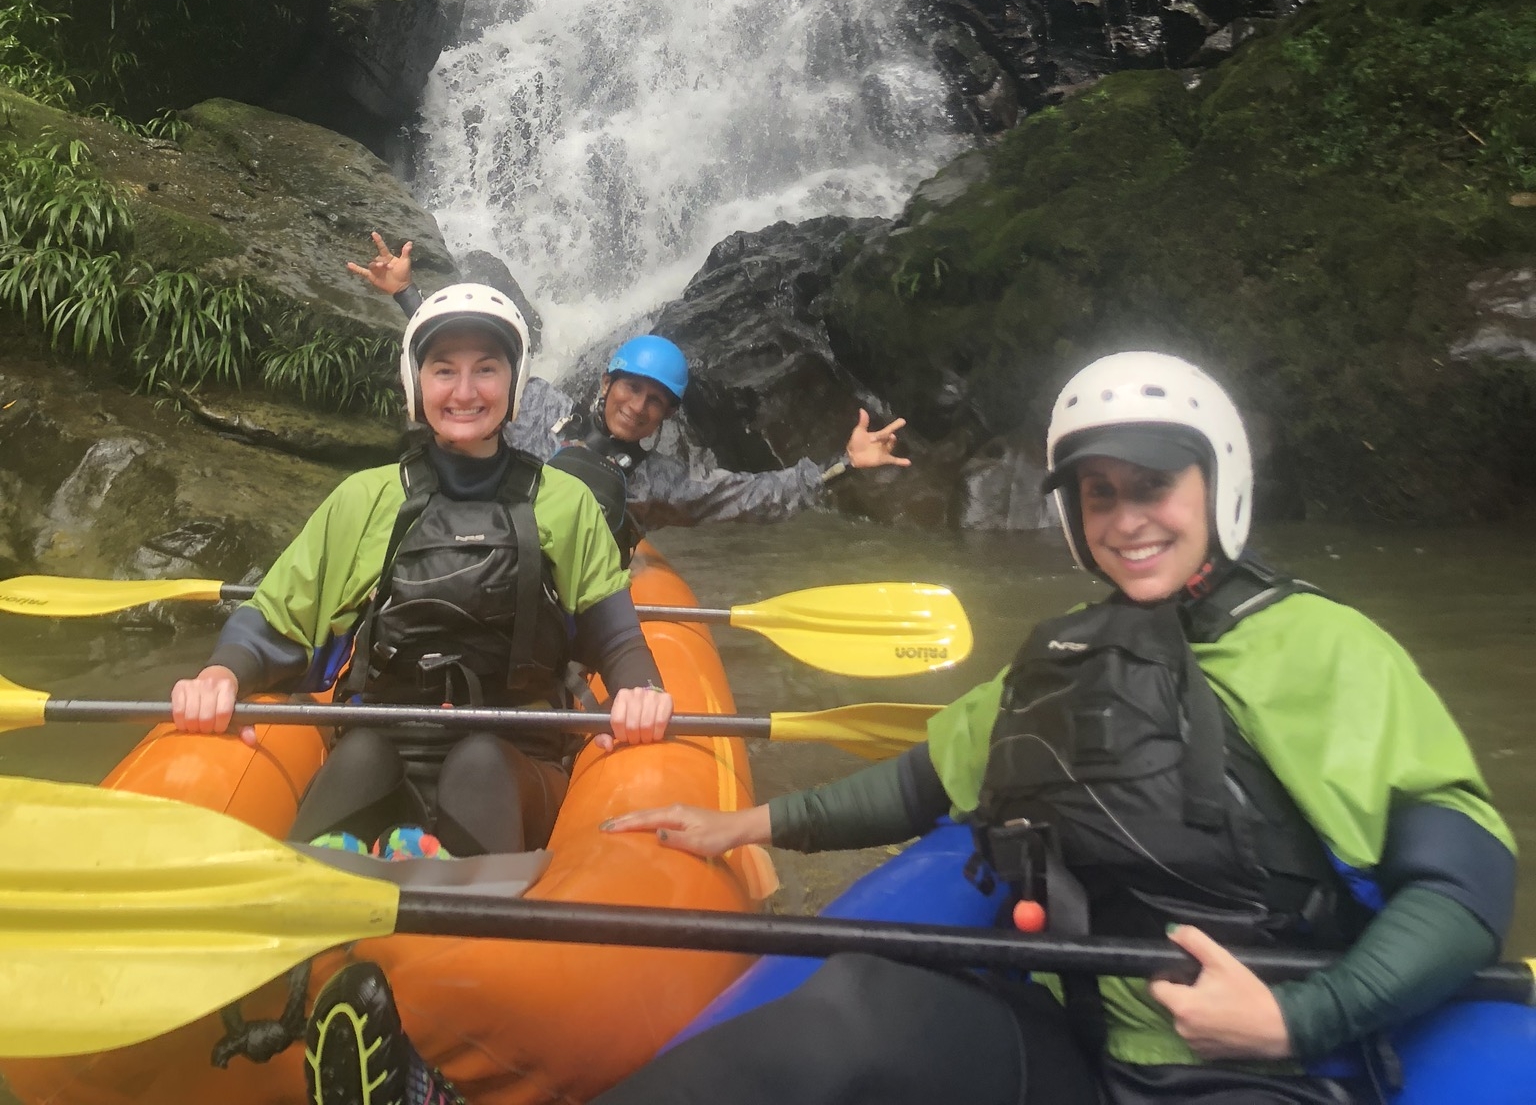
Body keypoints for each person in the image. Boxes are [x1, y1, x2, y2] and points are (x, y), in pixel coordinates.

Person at [582, 350, 1517, 1105]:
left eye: (1152, 485)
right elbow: (926, 781)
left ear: (1215, 483)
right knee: (853, 1011)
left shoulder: (1323, 648)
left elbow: (1463, 887)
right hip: (1082, 1043)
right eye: (1099, 495)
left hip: (1263, 1070)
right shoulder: (1067, 651)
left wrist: (1300, 1021)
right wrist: (742, 826)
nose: (1126, 519)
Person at [170, 282, 674, 863]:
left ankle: (444, 903)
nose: (465, 392)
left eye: (486, 370)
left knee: (478, 762)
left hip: (516, 761)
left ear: (513, 383)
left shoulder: (566, 502)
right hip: (388, 743)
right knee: (359, 756)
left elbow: (613, 636)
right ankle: (331, 900)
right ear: (416, 384)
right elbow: (275, 620)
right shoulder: (365, 498)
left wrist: (641, 692)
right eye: (443, 371)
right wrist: (222, 673)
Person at [348, 235, 912, 551]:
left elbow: (756, 494)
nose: (638, 407)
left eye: (655, 402)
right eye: (632, 389)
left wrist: (844, 464)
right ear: (605, 383)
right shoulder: (537, 407)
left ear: (666, 415)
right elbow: (466, 374)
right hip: (486, 548)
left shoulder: (663, 482)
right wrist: (407, 295)